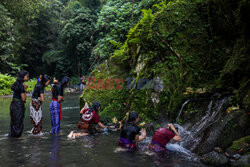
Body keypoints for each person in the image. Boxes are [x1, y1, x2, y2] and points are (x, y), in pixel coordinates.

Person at [9, 70, 29, 137]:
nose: (28, 78)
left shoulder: (16, 83)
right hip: (18, 105)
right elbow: (23, 99)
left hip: (13, 104)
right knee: (18, 122)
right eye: (27, 77)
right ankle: (18, 137)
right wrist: (25, 89)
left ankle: (12, 136)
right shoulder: (21, 86)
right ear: (22, 78)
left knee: (13, 122)